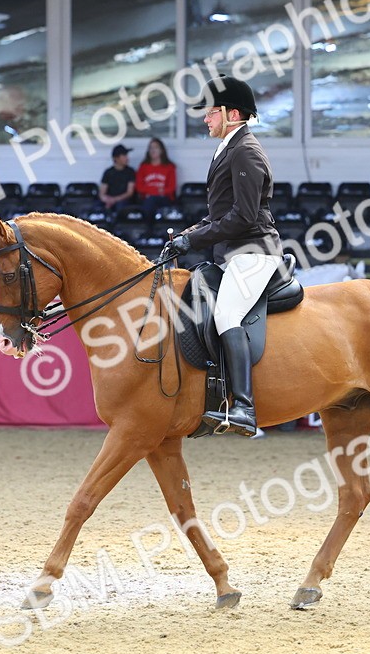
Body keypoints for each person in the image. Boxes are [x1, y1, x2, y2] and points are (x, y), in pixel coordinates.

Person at [162, 75, 283, 437]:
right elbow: (219, 215)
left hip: (253, 253)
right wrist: (187, 236)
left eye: (211, 113)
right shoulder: (228, 147)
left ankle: (244, 407)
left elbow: (244, 216)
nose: (205, 119)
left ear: (232, 114)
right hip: (230, 253)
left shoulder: (245, 150)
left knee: (226, 313)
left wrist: (196, 240)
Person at [135, 137, 177, 213]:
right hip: (147, 199)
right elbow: (139, 187)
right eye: (151, 148)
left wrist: (151, 191)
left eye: (156, 147)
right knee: (150, 202)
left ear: (161, 150)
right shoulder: (143, 166)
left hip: (164, 198)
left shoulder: (170, 167)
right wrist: (157, 191)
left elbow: (172, 188)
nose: (153, 150)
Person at [98, 144, 136, 210]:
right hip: (109, 200)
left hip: (123, 200)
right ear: (116, 158)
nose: (127, 158)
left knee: (121, 207)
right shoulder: (108, 172)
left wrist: (114, 200)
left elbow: (129, 193)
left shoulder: (130, 171)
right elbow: (102, 193)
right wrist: (107, 200)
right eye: (124, 155)